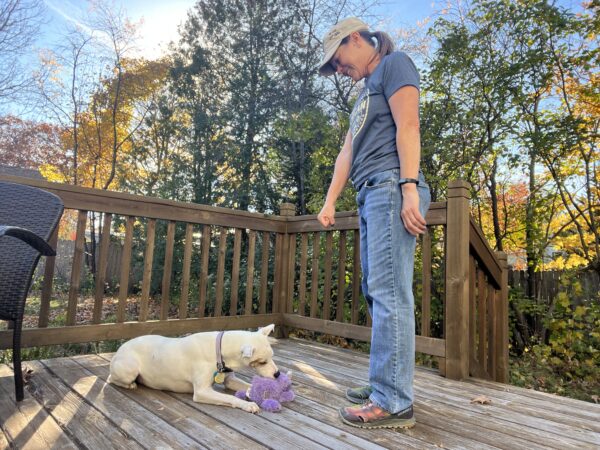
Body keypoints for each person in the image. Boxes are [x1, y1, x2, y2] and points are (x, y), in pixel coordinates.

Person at [316, 17, 431, 429]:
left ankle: (394, 400)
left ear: (356, 39)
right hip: (369, 191)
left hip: (391, 185)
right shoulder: (362, 97)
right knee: (374, 290)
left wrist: (409, 187)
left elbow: (409, 125)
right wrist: (330, 201)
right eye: (334, 69)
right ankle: (385, 381)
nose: (340, 71)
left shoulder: (395, 64)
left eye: (339, 61)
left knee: (390, 293)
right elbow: (345, 155)